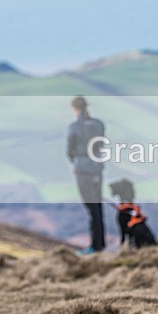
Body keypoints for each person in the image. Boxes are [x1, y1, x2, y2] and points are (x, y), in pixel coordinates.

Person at [67, 96, 106, 256]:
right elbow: (101, 145)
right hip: (96, 168)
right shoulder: (98, 124)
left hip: (82, 169)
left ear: (74, 109)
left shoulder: (74, 127)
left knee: (91, 208)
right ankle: (99, 244)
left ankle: (95, 247)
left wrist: (76, 161)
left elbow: (70, 150)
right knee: (97, 207)